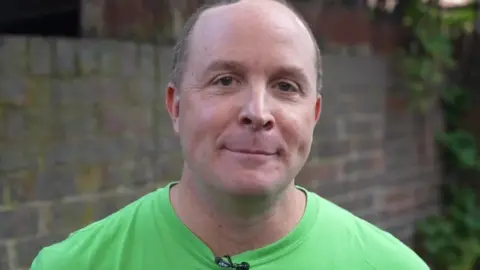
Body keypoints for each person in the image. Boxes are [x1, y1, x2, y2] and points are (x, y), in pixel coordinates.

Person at [30, 0, 429, 269]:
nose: (257, 113)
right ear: (175, 106)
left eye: (286, 86)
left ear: (315, 114)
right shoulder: (72, 264)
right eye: (225, 80)